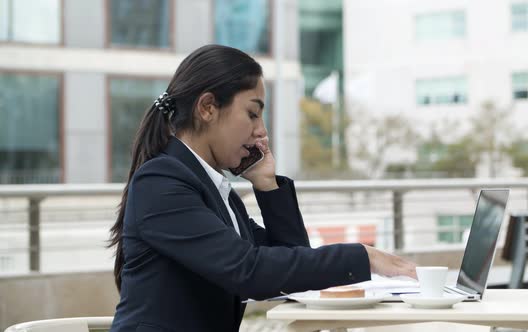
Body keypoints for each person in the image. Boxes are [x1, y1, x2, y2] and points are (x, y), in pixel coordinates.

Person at [108, 44, 416, 332]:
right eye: (252, 114)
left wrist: (267, 184)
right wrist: (363, 256)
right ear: (207, 108)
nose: (261, 132)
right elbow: (248, 271)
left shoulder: (212, 188)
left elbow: (287, 262)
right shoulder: (161, 182)